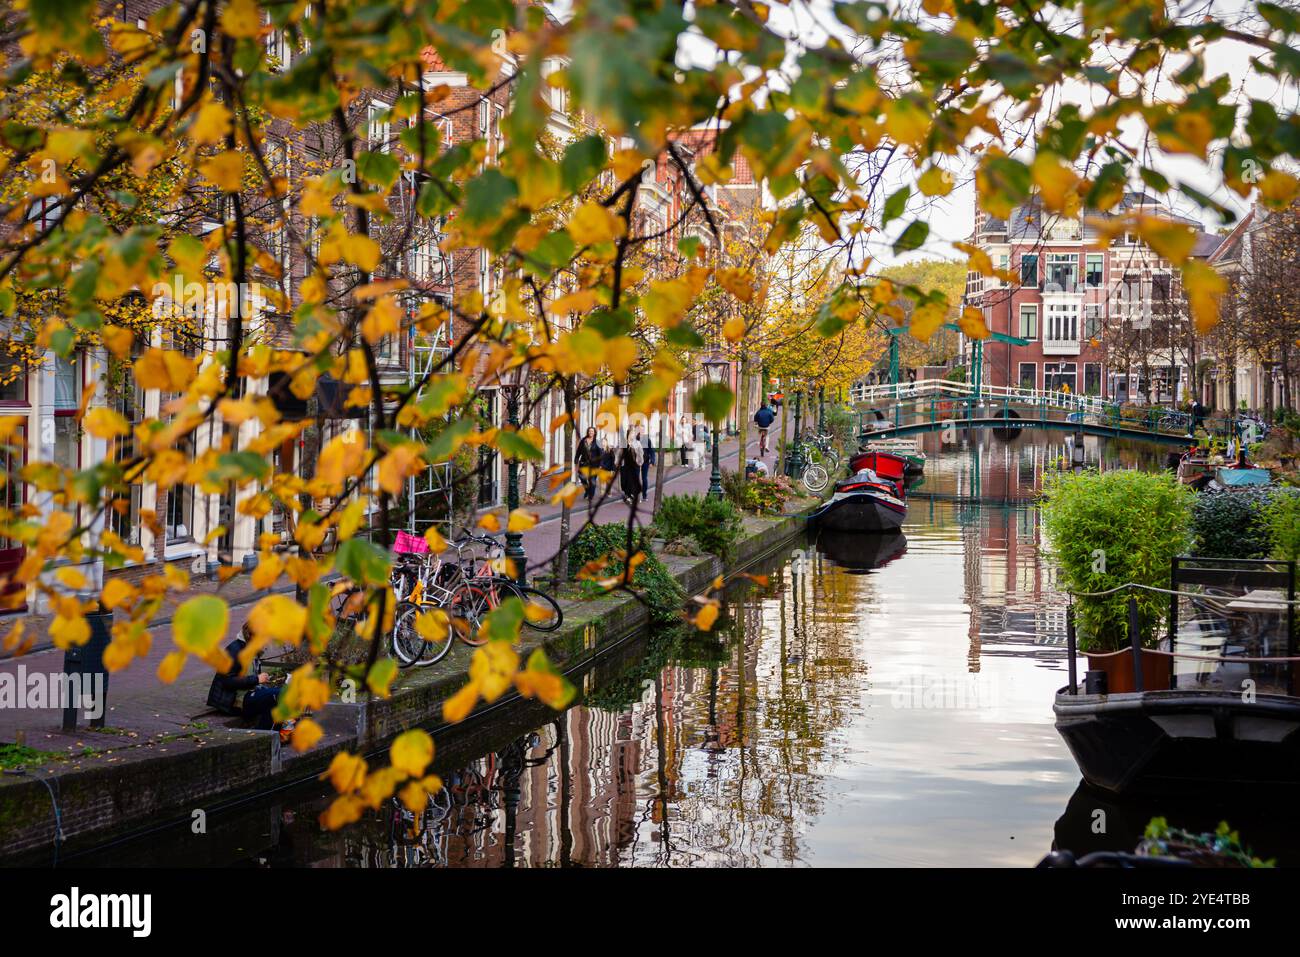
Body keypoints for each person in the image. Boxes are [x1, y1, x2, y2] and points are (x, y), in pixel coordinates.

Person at [207, 622, 279, 730]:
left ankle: (266, 735)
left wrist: (258, 681)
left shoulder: (252, 649)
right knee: (276, 694)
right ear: (251, 636)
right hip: (235, 701)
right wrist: (256, 679)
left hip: (249, 694)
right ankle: (264, 735)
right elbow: (227, 680)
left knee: (275, 697)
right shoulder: (234, 650)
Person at [574, 426, 602, 502]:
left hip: (594, 465)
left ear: (595, 433)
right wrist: (576, 459)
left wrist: (600, 465)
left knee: (592, 481)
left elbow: (601, 454)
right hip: (584, 463)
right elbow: (579, 451)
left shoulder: (598, 442)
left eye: (592, 431)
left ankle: (590, 496)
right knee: (582, 478)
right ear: (587, 432)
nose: (591, 432)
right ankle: (587, 490)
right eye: (589, 431)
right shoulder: (583, 440)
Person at [619, 428, 643, 503]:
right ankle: (628, 495)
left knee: (633, 481)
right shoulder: (623, 443)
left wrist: (639, 461)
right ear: (628, 434)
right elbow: (618, 453)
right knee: (625, 481)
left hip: (635, 465)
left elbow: (641, 453)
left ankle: (633, 496)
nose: (632, 435)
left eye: (634, 434)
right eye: (631, 433)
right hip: (625, 465)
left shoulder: (637, 443)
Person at [637, 424, 655, 501]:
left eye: (643, 429)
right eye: (640, 429)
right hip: (636, 462)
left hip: (645, 461)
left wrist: (652, 461)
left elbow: (652, 451)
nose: (641, 431)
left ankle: (644, 495)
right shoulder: (635, 439)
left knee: (644, 478)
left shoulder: (647, 440)